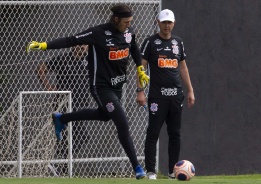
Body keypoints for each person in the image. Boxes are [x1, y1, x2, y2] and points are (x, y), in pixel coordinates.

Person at [27, 4, 149, 179]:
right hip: (101, 87)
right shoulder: (98, 33)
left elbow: (134, 48)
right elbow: (70, 40)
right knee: (122, 122)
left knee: (105, 115)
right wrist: (43, 45)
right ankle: (137, 167)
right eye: (125, 22)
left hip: (118, 86)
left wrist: (140, 68)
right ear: (115, 20)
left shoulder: (129, 32)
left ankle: (62, 118)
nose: (128, 24)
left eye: (130, 21)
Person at [136, 9, 195, 179]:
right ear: (158, 22)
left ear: (174, 23)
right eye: (164, 22)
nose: (167, 25)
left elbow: (183, 67)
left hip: (176, 96)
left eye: (169, 22)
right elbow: (141, 66)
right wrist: (140, 91)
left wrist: (190, 90)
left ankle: (172, 171)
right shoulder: (151, 42)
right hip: (157, 96)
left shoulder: (178, 42)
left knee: (175, 133)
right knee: (153, 132)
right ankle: (151, 171)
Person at [36, 45, 89, 175]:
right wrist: (48, 86)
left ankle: (62, 168)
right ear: (73, 46)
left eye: (85, 44)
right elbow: (40, 68)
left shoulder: (89, 60)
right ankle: (58, 163)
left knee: (74, 136)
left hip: (81, 103)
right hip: (64, 102)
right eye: (79, 44)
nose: (82, 47)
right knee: (76, 135)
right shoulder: (64, 59)